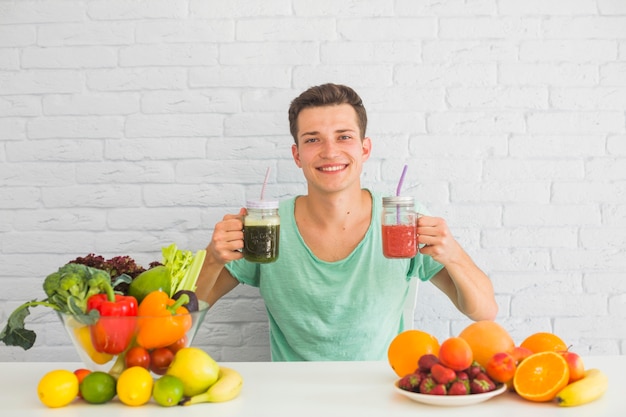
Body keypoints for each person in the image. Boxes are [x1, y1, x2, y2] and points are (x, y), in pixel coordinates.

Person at [196, 83, 497, 361]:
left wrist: (453, 253)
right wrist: (211, 259)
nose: (330, 152)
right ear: (297, 155)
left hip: (383, 397)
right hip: (293, 399)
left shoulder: (402, 219)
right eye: (313, 139)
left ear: (364, 149)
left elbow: (484, 310)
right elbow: (182, 323)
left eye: (344, 137)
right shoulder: (265, 227)